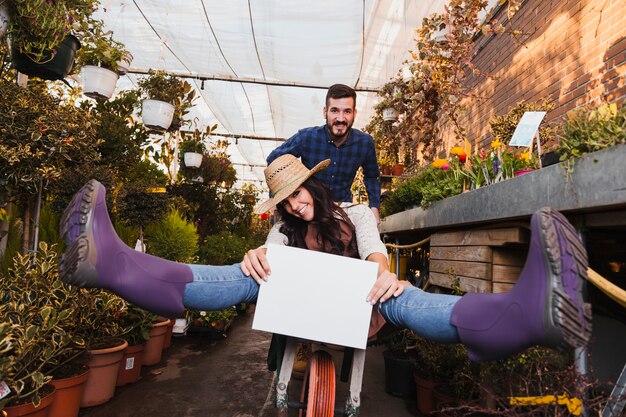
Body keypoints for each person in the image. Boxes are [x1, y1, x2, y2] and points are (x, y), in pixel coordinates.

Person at [59, 154, 591, 362]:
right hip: (302, 310)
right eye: (286, 198)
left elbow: (378, 253)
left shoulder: (356, 214)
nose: (296, 202)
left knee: (404, 297)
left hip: (360, 309)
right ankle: (110, 264)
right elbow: (272, 254)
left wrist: (383, 276)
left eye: (299, 192)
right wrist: (257, 258)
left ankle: (525, 316)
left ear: (314, 183)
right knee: (245, 279)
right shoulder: (284, 228)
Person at [266, 84, 381, 223]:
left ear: (354, 114)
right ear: (325, 112)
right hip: (308, 211)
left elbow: (372, 176)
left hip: (341, 211)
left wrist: (374, 207)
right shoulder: (306, 137)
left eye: (347, 111)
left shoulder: (365, 143)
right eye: (334, 111)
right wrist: (277, 197)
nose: (340, 118)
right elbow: (274, 159)